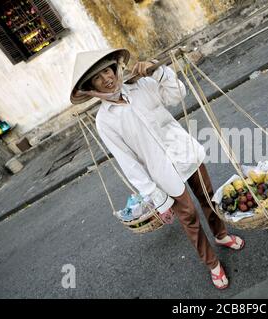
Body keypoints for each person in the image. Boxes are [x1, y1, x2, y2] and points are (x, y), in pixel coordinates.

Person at [70, 48, 244, 290]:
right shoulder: (105, 121)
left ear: (115, 68)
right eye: (98, 78)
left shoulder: (140, 86)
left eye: (108, 71)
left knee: (208, 197)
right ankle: (212, 263)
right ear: (92, 87)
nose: (107, 78)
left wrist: (158, 71)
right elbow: (128, 162)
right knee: (189, 218)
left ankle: (221, 234)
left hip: (184, 153)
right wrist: (157, 198)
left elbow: (177, 95)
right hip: (161, 173)